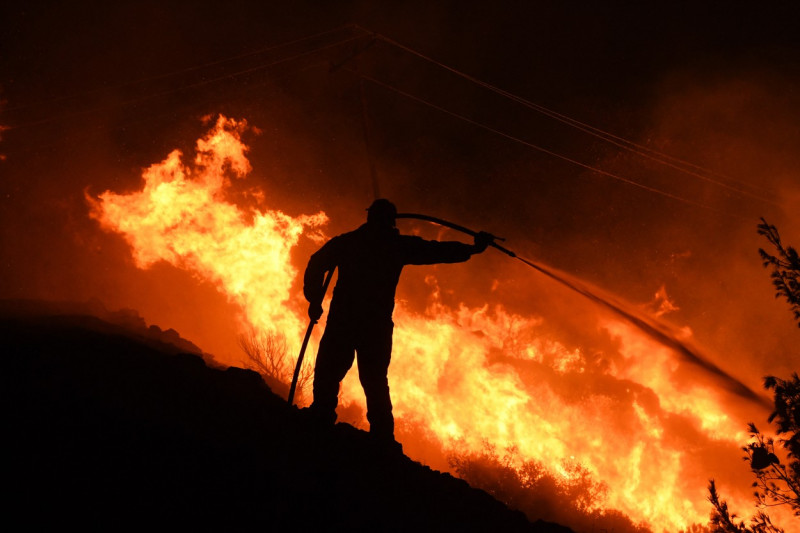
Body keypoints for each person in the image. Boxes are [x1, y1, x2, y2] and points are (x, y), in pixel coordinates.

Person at [303, 199, 492, 448]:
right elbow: (437, 250)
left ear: (369, 218)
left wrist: (315, 299)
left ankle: (322, 419)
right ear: (391, 222)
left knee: (332, 372)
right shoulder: (395, 246)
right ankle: (380, 438)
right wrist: (473, 248)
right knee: (373, 380)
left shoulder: (348, 242)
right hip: (374, 325)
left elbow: (316, 264)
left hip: (345, 320)